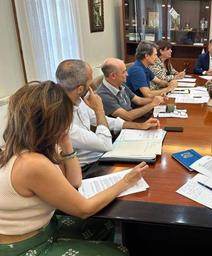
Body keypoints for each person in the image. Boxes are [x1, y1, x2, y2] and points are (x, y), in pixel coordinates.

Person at [0, 81, 148, 255]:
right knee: (118, 251)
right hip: (27, 244)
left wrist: (66, 142)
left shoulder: (29, 146)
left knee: (106, 224)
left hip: (44, 227)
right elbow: (84, 210)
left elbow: (74, 182)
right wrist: (125, 182)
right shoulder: (32, 162)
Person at [56, 59, 159, 168]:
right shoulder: (61, 119)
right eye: (90, 82)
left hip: (101, 156)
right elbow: (105, 145)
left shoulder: (78, 100)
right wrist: (99, 109)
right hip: (88, 168)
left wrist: (140, 126)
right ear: (80, 89)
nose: (92, 87)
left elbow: (109, 122)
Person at [97, 57, 164, 121]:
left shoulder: (120, 83)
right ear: (113, 76)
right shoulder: (104, 95)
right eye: (123, 72)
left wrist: (157, 99)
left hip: (133, 122)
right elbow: (128, 116)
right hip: (124, 129)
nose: (127, 74)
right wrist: (153, 104)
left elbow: (139, 100)